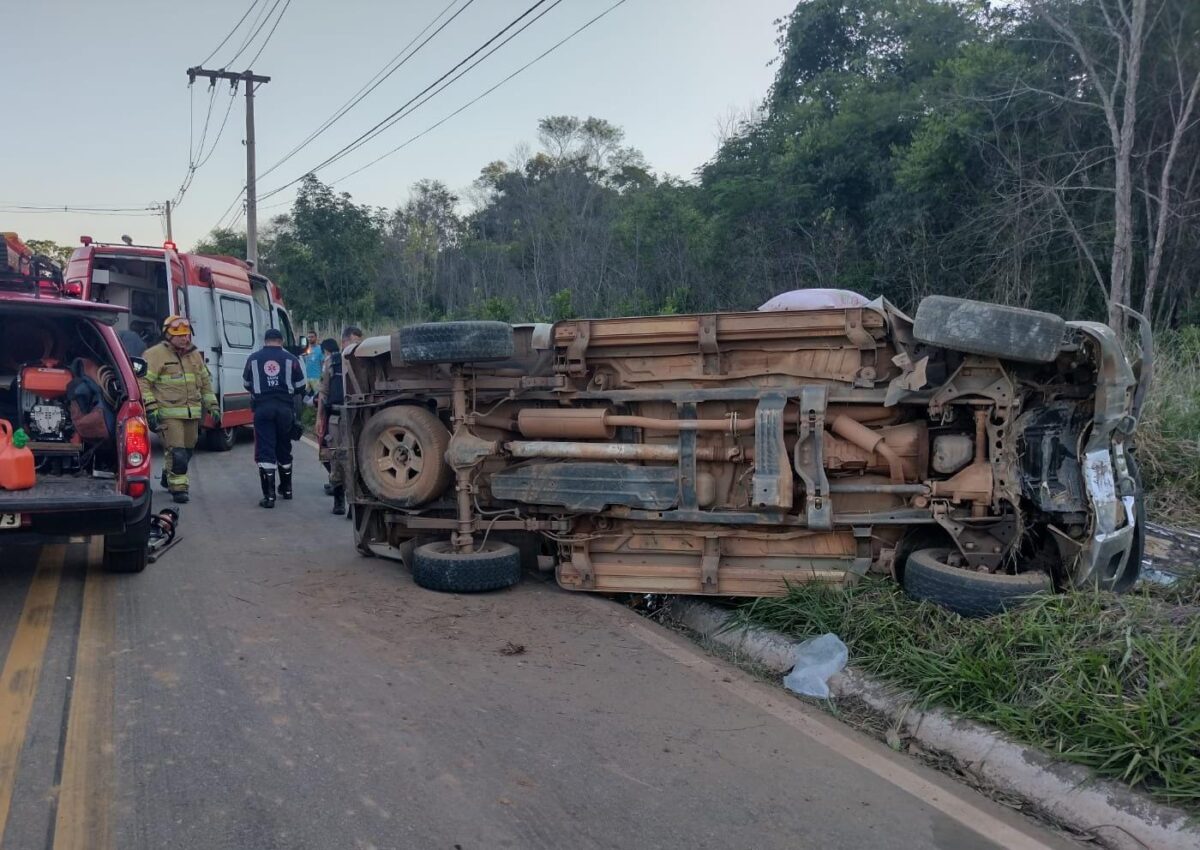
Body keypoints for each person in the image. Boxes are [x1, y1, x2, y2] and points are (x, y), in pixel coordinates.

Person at [139, 315, 219, 504]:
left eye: (186, 334)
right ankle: (179, 489)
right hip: (168, 413)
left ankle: (169, 474)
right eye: (179, 335)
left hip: (192, 413)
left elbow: (205, 383)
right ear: (168, 335)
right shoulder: (154, 355)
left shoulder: (194, 355)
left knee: (189, 450)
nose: (184, 338)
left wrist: (213, 405)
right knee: (178, 452)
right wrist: (150, 408)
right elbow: (143, 382)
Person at [243, 328, 306, 508]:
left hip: (263, 408)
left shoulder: (253, 359)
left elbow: (247, 383)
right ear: (282, 341)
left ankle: (269, 497)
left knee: (266, 448)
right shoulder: (291, 360)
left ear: (266, 340)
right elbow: (301, 386)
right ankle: (287, 490)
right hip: (285, 408)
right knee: (284, 447)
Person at [316, 338, 346, 514]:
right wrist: (320, 418)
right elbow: (324, 391)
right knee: (335, 457)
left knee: (357, 458)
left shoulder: (364, 359)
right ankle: (339, 501)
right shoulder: (332, 362)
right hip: (336, 417)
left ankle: (355, 505)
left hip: (358, 417)